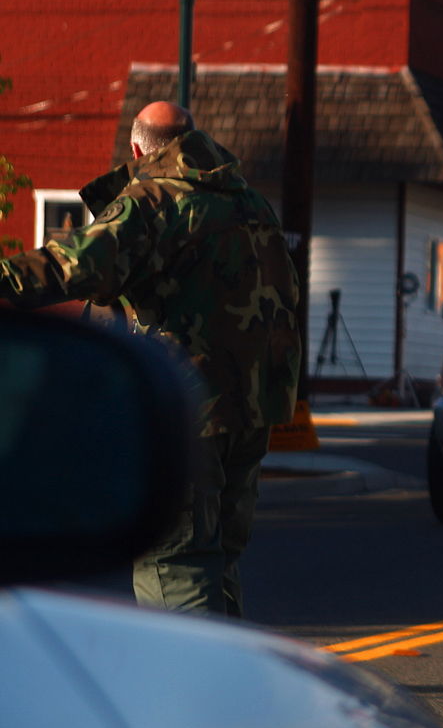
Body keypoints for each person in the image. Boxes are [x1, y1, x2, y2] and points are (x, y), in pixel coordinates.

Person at [0, 101, 300, 617]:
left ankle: (193, 691)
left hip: (188, 409)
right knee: (219, 559)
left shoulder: (155, 201)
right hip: (253, 409)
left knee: (176, 566)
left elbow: (67, 266)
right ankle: (228, 684)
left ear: (137, 148)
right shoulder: (247, 201)